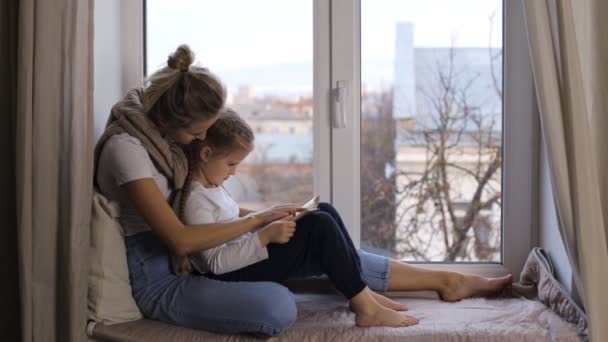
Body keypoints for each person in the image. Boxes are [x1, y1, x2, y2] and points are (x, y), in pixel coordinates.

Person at [94, 44, 512, 337]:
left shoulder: (165, 140)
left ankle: (442, 279)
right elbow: (180, 238)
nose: (194, 142)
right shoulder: (128, 148)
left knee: (321, 220)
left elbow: (210, 213)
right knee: (279, 305)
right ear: (172, 121)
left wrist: (264, 215)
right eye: (196, 133)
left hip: (209, 255)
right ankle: (366, 299)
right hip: (164, 278)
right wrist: (258, 221)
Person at [178, 108, 417, 327]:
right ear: (206, 153)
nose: (234, 172)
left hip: (245, 255)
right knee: (320, 226)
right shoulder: (196, 201)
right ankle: (367, 309)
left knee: (323, 210)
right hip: (230, 274)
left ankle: (360, 290)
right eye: (231, 164)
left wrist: (268, 216)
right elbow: (216, 263)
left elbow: (230, 220)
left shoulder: (212, 185)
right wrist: (263, 236)